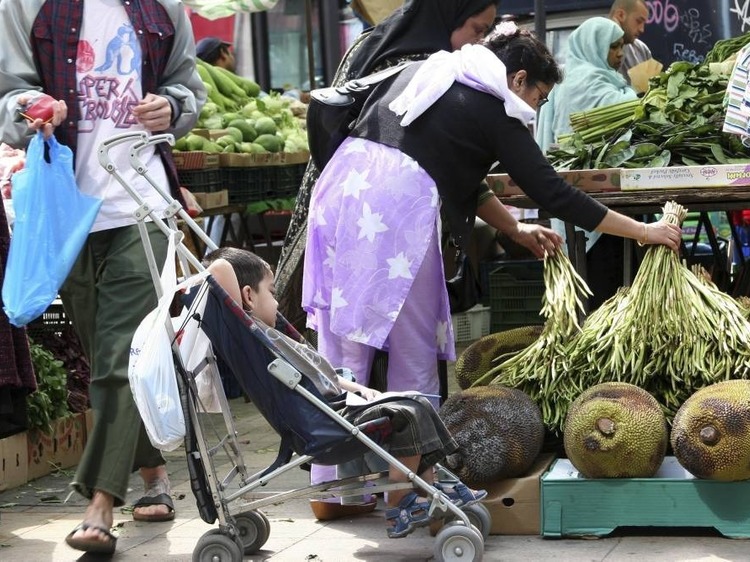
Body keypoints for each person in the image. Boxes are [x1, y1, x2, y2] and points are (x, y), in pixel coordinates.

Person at [302, 23, 681, 422]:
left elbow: (461, 175)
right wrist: (644, 231)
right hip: (393, 216)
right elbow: (554, 193)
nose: (536, 108)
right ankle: (412, 479)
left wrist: (514, 228)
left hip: (338, 197)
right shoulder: (494, 108)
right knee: (412, 352)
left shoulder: (437, 72)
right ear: (519, 79)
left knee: (342, 355)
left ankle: (335, 479)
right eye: (539, 96)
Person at [0, 0, 205, 555]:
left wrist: (174, 107)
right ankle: (153, 471)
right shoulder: (25, 7)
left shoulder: (162, 8)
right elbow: (7, 96)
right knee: (107, 358)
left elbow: (189, 87)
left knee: (118, 356)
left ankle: (98, 502)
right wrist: (29, 106)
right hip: (66, 213)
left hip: (143, 203)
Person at [203, 246, 486, 539]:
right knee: (408, 411)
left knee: (416, 402)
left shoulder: (268, 338)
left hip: (336, 408)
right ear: (248, 296)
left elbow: (328, 376)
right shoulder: (259, 340)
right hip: (326, 426)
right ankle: (399, 499)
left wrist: (363, 389)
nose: (276, 302)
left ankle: (430, 482)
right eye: (272, 292)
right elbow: (219, 271)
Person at [275, 0, 499, 332]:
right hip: (381, 228)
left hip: (335, 201)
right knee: (380, 332)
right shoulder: (425, 69)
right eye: (477, 30)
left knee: (338, 332)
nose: (478, 42)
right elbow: (443, 161)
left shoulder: (371, 42)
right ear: (448, 16)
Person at [535, 17, 638, 309]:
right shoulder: (589, 82)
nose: (620, 53)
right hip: (595, 196)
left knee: (592, 277)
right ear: (594, 46)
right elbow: (627, 111)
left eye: (621, 46)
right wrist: (637, 93)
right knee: (604, 283)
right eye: (613, 46)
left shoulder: (571, 78)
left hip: (578, 196)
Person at [609, 0, 651, 84]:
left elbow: (652, 92)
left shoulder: (642, 50)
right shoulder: (592, 50)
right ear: (620, 15)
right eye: (638, 21)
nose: (642, 29)